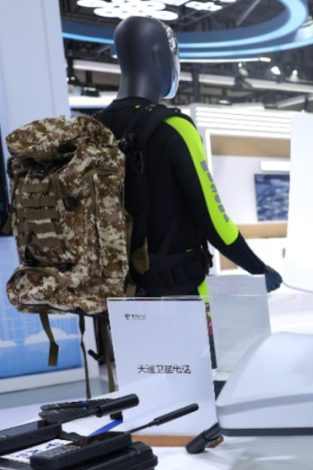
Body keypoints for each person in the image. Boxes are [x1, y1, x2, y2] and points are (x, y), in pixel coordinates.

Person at [96, 16, 282, 297]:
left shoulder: (94, 126)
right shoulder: (174, 127)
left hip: (112, 291)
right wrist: (257, 268)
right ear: (159, 56)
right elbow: (213, 217)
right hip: (175, 288)